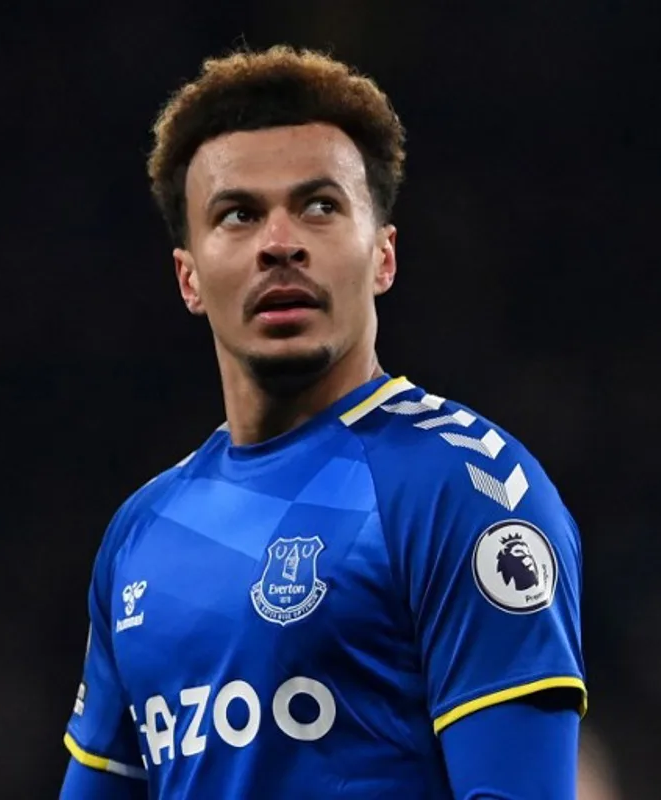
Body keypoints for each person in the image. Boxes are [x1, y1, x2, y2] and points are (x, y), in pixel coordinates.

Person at [59, 45, 586, 799]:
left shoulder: (468, 488)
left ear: (383, 257)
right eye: (238, 214)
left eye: (319, 205)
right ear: (188, 278)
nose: (280, 242)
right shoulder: (142, 531)